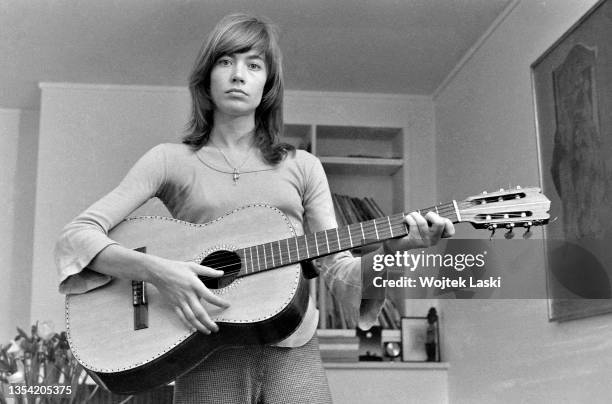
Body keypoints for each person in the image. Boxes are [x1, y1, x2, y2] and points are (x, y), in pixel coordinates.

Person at [54, 13, 454, 404]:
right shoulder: (167, 160)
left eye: (254, 64)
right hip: (204, 350)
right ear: (206, 79)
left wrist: (395, 253)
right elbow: (77, 236)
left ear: (268, 84)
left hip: (293, 351)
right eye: (225, 61)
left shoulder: (303, 166)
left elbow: (339, 270)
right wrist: (158, 271)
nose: (238, 74)